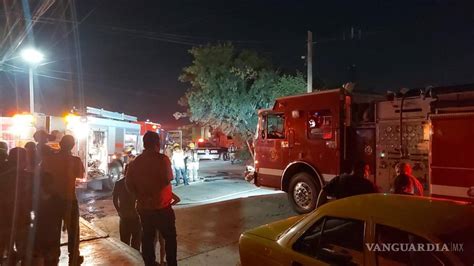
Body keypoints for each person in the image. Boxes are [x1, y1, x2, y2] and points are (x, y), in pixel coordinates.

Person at [125, 131, 177, 266]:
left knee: (147, 237)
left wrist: (141, 195)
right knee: (170, 239)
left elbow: (129, 185)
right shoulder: (162, 159)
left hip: (144, 208)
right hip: (162, 207)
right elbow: (168, 179)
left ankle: (149, 263)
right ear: (157, 144)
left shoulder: (135, 163)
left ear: (144, 144)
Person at [40, 135, 85, 265]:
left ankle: (53, 256)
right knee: (73, 231)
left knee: (53, 230)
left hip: (52, 201)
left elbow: (42, 175)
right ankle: (74, 256)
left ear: (60, 144)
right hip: (69, 199)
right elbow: (81, 175)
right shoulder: (75, 160)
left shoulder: (48, 159)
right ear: (72, 146)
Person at [113, 178, 141, 250]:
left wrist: (119, 210)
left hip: (125, 216)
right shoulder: (136, 182)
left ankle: (129, 259)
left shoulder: (119, 183)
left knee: (125, 243)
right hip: (134, 216)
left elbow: (115, 199)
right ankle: (135, 259)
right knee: (135, 242)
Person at [157, 193, 180, 266]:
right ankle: (161, 261)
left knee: (153, 241)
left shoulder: (152, 189)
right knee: (163, 242)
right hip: (165, 215)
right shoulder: (166, 190)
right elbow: (177, 199)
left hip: (153, 216)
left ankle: (152, 261)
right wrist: (169, 205)